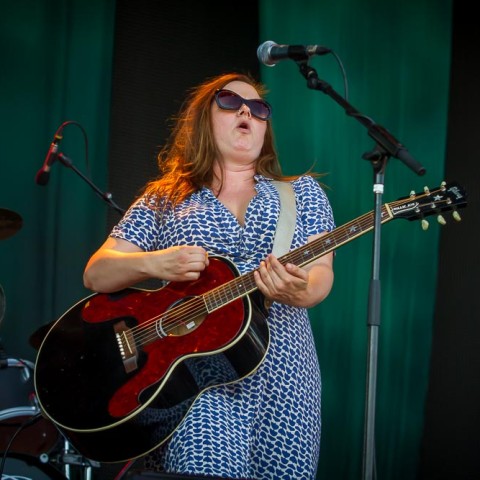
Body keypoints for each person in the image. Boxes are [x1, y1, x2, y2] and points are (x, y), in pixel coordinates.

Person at [83, 72, 335, 480]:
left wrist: (302, 290)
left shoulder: (301, 193)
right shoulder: (166, 198)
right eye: (231, 102)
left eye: (258, 109)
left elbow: (321, 274)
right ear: (204, 118)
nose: (246, 113)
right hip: (197, 381)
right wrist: (155, 263)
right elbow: (97, 272)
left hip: (287, 380)